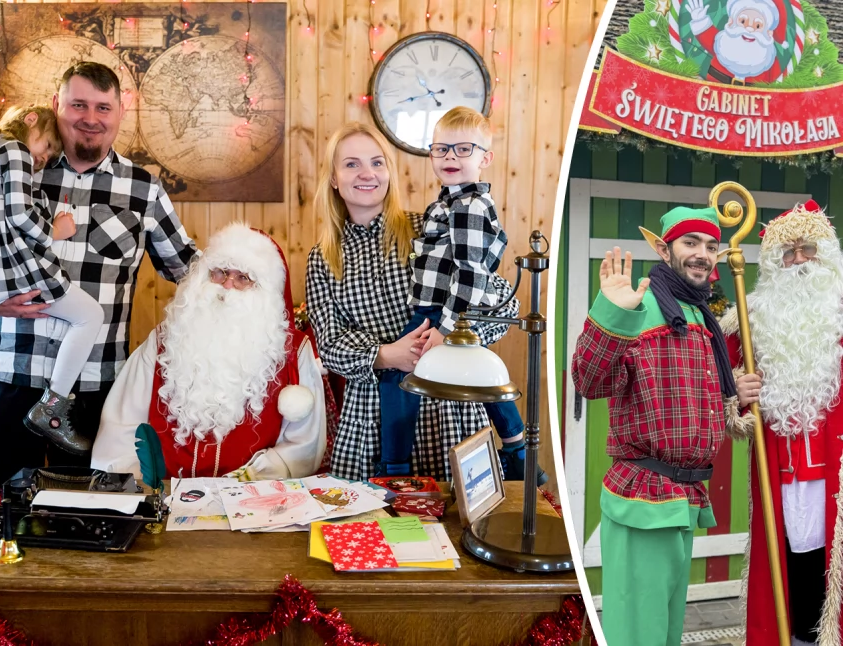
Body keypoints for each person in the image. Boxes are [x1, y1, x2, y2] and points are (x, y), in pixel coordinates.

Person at [0, 62, 198, 496]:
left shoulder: (144, 190)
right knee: (7, 514)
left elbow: (187, 267)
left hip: (93, 390)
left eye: (103, 108)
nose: (91, 118)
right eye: (78, 105)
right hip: (9, 375)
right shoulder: (15, 168)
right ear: (56, 105)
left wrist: (245, 269)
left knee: (87, 516)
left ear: (120, 113)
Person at [570, 207, 761, 646]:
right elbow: (589, 381)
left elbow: (683, 393)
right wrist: (612, 313)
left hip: (683, 500)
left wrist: (733, 392)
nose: (702, 254)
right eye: (690, 243)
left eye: (710, 246)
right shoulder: (641, 304)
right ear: (663, 248)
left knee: (665, 635)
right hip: (645, 499)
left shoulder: (698, 315)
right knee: (638, 636)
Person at [305, 122, 515, 483]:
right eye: (352, 164)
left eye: (377, 163)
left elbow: (504, 305)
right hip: (371, 419)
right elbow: (330, 346)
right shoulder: (323, 258)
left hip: (449, 408)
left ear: (389, 173)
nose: (367, 173)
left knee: (455, 513)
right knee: (372, 516)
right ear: (334, 179)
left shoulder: (432, 229)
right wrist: (388, 355)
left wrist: (450, 336)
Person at [0, 104, 106, 487]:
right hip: (2, 265)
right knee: (89, 315)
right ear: (30, 120)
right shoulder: (15, 149)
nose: (42, 158)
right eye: (46, 146)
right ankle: (53, 408)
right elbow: (20, 215)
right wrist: (57, 230)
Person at [375, 106, 539, 483]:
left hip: (445, 310)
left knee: (399, 375)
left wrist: (447, 328)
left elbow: (470, 270)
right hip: (442, 307)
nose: (451, 156)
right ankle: (516, 450)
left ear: (485, 158)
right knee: (479, 372)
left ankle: (395, 468)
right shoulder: (447, 202)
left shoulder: (468, 206)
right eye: (441, 149)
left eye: (464, 149)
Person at [91, 223, 327, 480]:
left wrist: (252, 478)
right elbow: (121, 429)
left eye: (243, 278)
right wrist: (140, 484)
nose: (227, 286)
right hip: (167, 492)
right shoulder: (164, 342)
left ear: (265, 290)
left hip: (254, 494)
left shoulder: (294, 352)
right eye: (220, 272)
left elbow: (302, 444)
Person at [722, 200, 843, 646]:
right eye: (787, 253)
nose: (798, 260)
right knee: (789, 568)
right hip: (779, 471)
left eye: (808, 249)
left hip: (837, 472)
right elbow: (722, 394)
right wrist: (737, 394)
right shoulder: (748, 320)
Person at [687, 0, 782, 84]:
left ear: (768, 33)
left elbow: (781, 82)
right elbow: (706, 34)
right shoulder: (722, 43)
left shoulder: (768, 60)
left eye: (757, 26)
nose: (749, 29)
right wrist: (699, 19)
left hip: (755, 97)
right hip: (712, 90)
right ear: (731, 22)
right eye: (743, 21)